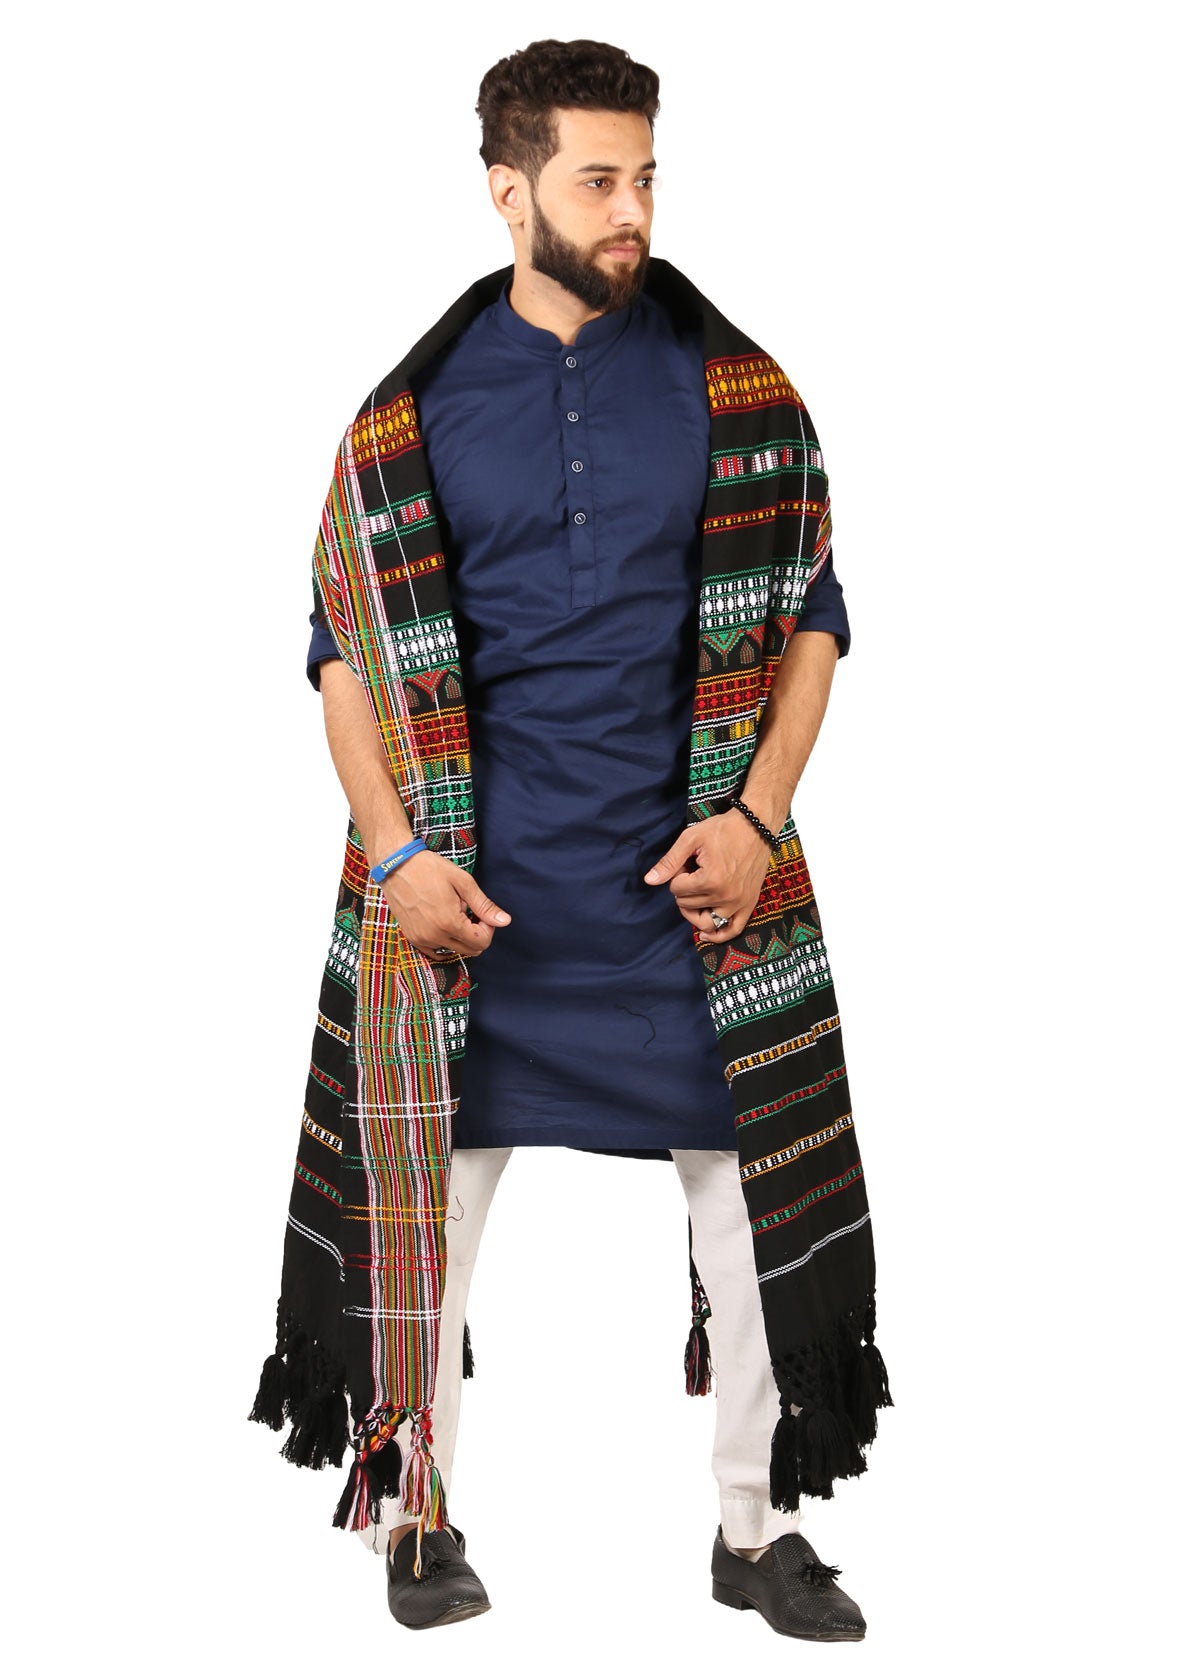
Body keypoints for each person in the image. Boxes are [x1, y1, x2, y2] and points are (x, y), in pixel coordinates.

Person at [250, 36, 890, 1641]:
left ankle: (756, 1531)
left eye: (647, 176)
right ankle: (414, 1515)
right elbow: (342, 656)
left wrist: (757, 820)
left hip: (697, 901)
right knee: (430, 1220)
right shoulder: (409, 416)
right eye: (599, 180)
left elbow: (814, 618)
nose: (633, 210)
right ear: (507, 189)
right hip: (473, 905)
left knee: (753, 1212)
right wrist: (397, 858)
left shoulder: (741, 393)